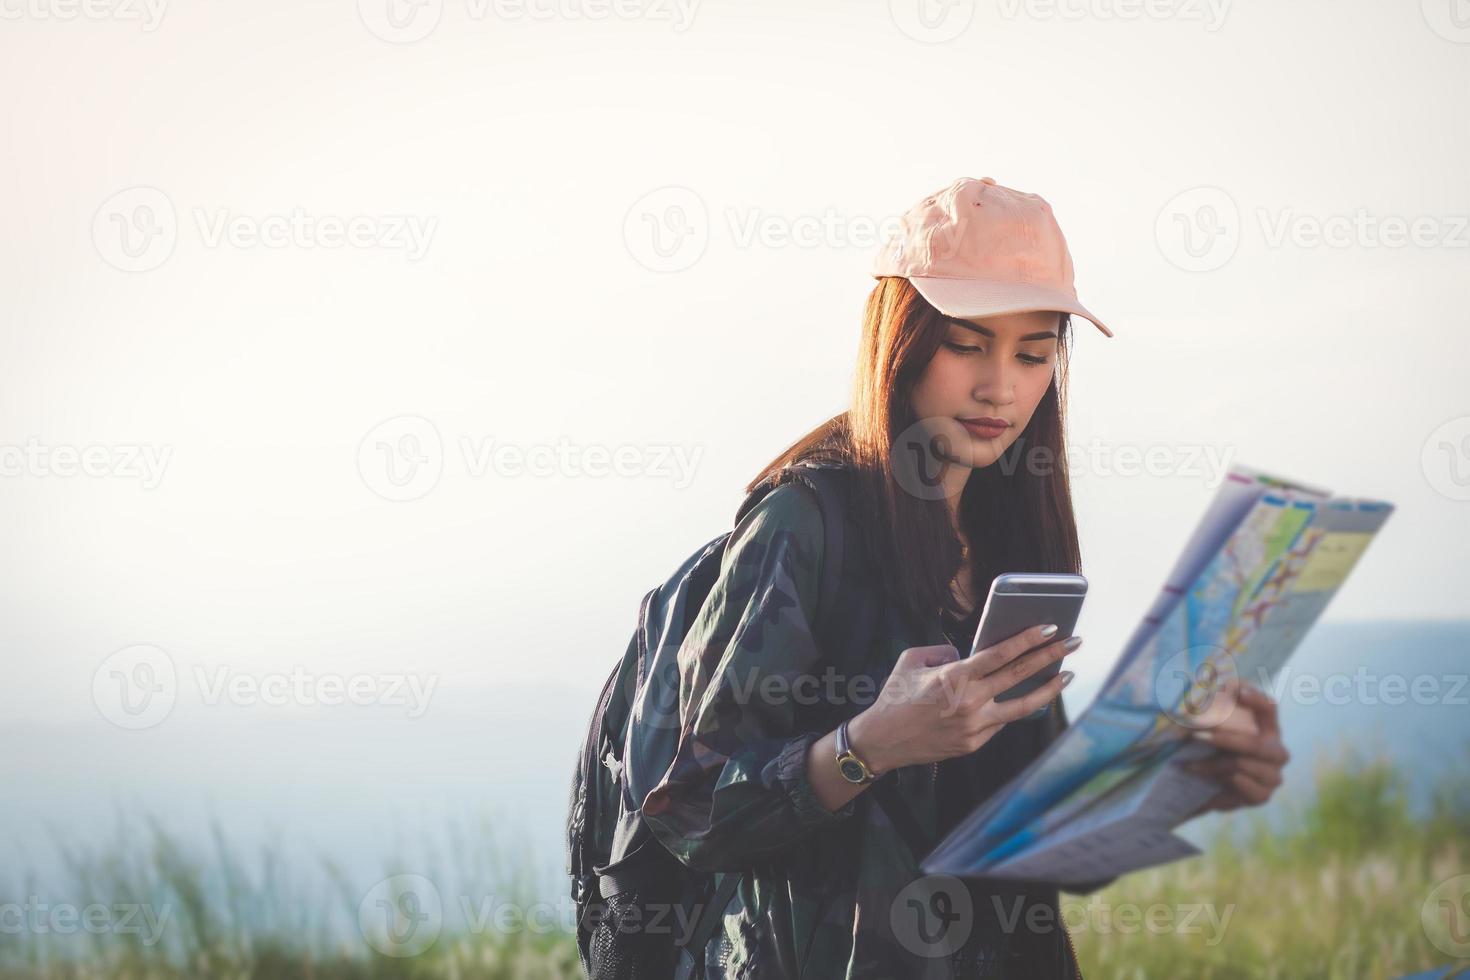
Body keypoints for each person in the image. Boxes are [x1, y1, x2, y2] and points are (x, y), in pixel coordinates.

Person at [639, 176, 1290, 978]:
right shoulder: (803, 521)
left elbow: (1029, 849)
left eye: (1034, 352)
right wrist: (868, 745)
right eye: (967, 342)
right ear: (902, 340)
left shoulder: (1017, 543)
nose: (1001, 386)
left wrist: (1190, 779)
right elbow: (693, 809)